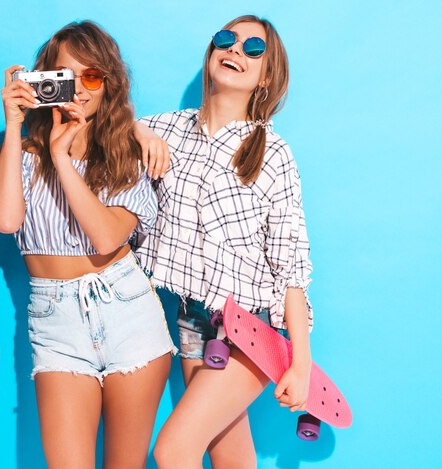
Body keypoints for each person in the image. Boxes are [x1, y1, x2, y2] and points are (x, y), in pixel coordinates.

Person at [0, 20, 175, 469]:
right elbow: (6, 219)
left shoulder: (127, 154)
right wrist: (15, 129)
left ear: (108, 83)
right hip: (57, 323)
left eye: (91, 76)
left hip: (127, 309)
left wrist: (64, 160)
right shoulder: (24, 157)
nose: (78, 89)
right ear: (42, 83)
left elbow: (109, 236)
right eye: (65, 76)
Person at [133, 15, 314, 468]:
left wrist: (302, 362)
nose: (235, 50)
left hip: (249, 330)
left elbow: (291, 264)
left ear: (266, 76)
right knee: (230, 454)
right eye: (226, 39)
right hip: (193, 322)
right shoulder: (166, 129)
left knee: (174, 449)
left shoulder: (273, 153)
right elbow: (109, 126)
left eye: (254, 49)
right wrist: (136, 131)